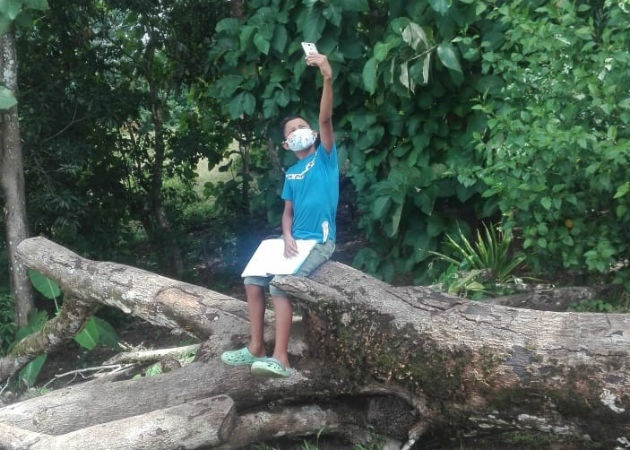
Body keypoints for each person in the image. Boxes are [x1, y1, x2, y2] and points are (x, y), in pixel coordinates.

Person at [220, 52, 338, 377]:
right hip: (295, 242)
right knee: (253, 278)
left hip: (319, 242)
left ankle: (281, 359)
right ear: (286, 144)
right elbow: (287, 213)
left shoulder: (325, 159)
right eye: (292, 130)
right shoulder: (292, 172)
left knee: (280, 286)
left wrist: (327, 76)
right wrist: (286, 235)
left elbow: (326, 119)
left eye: (303, 126)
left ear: (313, 134)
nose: (299, 130)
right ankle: (256, 346)